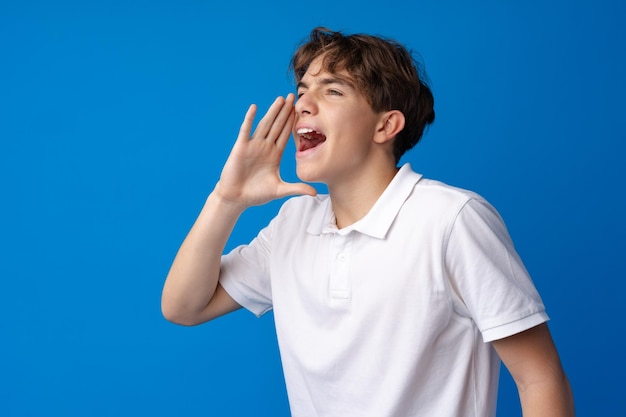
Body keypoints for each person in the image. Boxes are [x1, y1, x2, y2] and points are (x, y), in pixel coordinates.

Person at [161, 27, 574, 417]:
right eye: (302, 90)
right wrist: (226, 199)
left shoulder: (451, 219)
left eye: (333, 90)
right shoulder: (292, 223)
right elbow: (183, 307)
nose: (302, 104)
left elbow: (538, 377)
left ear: (385, 125)